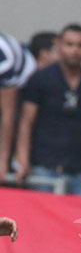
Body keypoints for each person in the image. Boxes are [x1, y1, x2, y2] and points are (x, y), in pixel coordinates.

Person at [15, 24, 81, 195]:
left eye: (80, 45)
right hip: (43, 169)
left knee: (80, 221)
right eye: (69, 44)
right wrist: (23, 161)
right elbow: (26, 122)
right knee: (40, 220)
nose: (74, 50)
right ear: (59, 45)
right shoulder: (41, 79)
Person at [0, 32, 36, 184]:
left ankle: (15, 159)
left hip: (23, 88)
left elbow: (7, 114)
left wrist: (2, 160)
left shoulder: (4, 57)